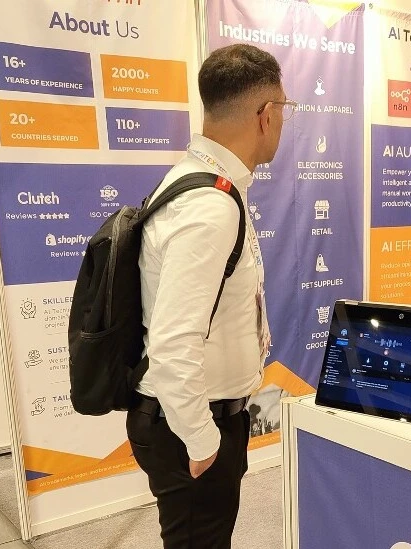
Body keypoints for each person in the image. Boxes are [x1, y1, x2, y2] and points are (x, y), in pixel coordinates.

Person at [127, 44, 293, 548]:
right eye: (284, 110)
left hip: (188, 418)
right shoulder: (210, 206)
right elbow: (173, 343)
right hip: (190, 426)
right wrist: (202, 440)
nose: (283, 123)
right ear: (266, 115)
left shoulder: (202, 183)